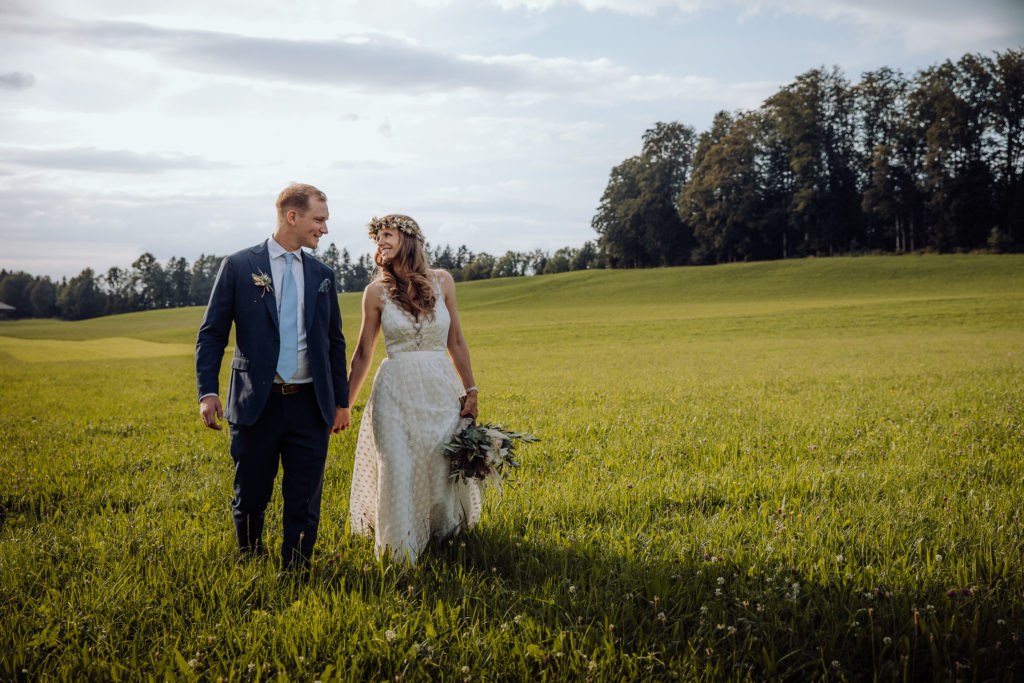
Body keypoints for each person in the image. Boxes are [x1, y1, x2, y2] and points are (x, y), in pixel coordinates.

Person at [195, 183, 350, 570]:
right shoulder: (239, 266)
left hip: (310, 404)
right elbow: (212, 334)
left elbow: (334, 342)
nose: (325, 229)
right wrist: (207, 391)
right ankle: (250, 560)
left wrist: (341, 402)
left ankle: (296, 571)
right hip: (255, 403)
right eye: (319, 220)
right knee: (250, 495)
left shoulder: (323, 275)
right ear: (292, 217)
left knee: (304, 498)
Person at [346, 214, 482, 564]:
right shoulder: (374, 292)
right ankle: (397, 554)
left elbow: (456, 341)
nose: (380, 243)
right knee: (396, 465)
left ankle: (442, 540)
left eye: (386, 235)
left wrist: (471, 390)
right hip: (394, 391)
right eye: (377, 238)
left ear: (408, 239)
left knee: (439, 466)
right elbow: (362, 353)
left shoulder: (443, 281)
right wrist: (343, 405)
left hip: (440, 388)